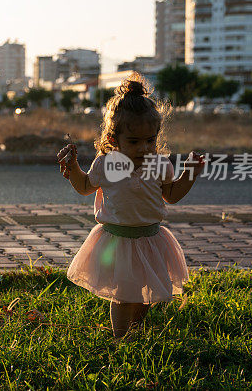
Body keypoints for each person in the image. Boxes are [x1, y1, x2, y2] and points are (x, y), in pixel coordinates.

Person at [57, 74, 205, 338]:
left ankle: (136, 328)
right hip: (118, 241)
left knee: (146, 293)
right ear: (114, 140)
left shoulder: (160, 164)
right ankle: (120, 337)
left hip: (151, 239)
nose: (144, 148)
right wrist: (73, 168)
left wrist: (189, 174)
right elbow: (84, 187)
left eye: (150, 140)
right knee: (124, 295)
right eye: (134, 142)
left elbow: (171, 194)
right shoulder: (106, 164)